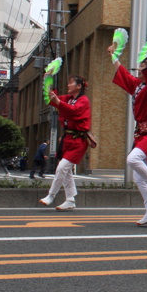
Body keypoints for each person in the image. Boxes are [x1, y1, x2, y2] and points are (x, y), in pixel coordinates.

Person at [109, 40, 147, 226]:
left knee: (132, 159)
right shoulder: (138, 86)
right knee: (137, 176)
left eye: (143, 65)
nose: (139, 68)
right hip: (143, 133)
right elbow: (123, 74)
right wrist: (113, 55)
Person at [41, 75, 92, 211]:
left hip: (78, 140)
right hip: (68, 139)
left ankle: (51, 195)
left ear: (79, 86)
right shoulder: (69, 99)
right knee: (66, 170)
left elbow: (73, 111)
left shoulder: (83, 100)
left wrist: (57, 100)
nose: (68, 85)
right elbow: (52, 101)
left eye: (71, 83)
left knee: (62, 167)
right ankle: (70, 200)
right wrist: (47, 83)